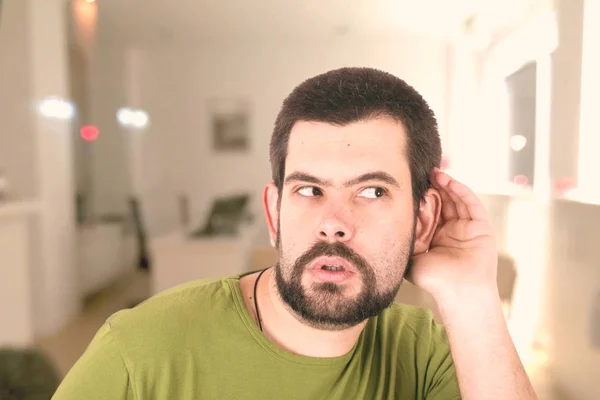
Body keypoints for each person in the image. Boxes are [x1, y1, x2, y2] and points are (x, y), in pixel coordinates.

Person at [52, 67, 537, 399]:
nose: (333, 222)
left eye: (371, 192)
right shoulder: (137, 350)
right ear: (274, 209)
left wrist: (472, 295)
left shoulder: (432, 354)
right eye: (309, 190)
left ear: (423, 220)